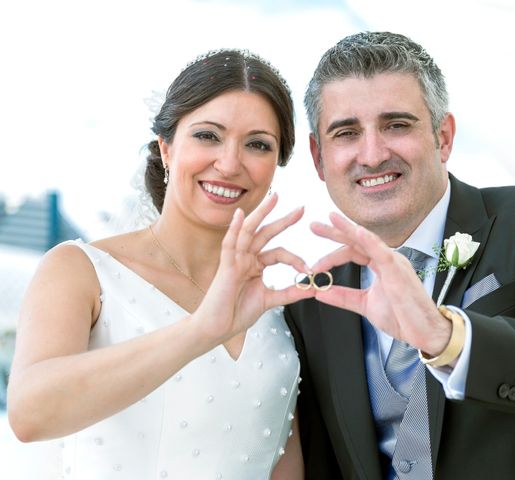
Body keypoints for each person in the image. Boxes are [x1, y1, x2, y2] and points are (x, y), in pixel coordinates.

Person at [284, 31, 515, 479]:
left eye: (396, 125)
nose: (372, 154)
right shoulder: (315, 304)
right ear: (319, 158)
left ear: (443, 137)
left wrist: (443, 335)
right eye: (347, 133)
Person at [7, 49, 314, 479]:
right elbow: (29, 414)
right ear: (166, 149)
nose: (229, 163)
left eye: (258, 144)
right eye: (208, 136)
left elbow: (285, 464)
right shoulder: (80, 270)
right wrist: (201, 329)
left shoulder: (274, 309)